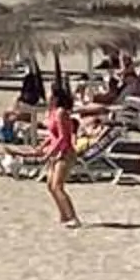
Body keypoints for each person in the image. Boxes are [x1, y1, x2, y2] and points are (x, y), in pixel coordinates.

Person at [36, 82, 83, 228]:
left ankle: (73, 217)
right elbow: (52, 135)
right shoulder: (52, 112)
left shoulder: (61, 113)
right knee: (50, 185)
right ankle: (63, 215)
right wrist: (42, 147)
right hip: (56, 152)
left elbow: (63, 137)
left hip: (65, 152)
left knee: (57, 186)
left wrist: (49, 152)